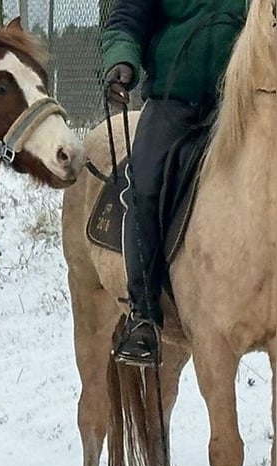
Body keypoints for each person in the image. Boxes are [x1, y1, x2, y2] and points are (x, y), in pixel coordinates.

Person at [102, 0, 247, 366]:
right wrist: (121, 60)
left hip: (246, 104)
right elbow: (128, 17)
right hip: (173, 101)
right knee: (145, 187)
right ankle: (144, 315)